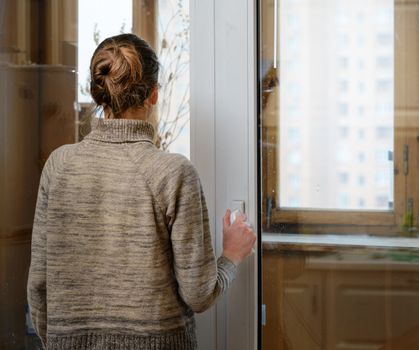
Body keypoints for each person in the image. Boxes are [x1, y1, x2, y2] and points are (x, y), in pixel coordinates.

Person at [27, 33, 256, 350]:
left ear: (98, 94)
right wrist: (232, 254)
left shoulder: (59, 165)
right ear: (153, 95)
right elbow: (199, 294)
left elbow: (39, 286)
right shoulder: (173, 172)